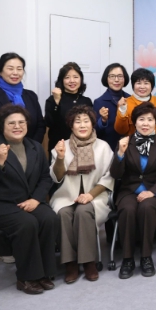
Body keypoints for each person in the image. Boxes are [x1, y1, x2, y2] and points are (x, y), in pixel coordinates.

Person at [0, 104, 59, 295]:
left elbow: (45, 178)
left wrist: (36, 199)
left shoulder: (36, 147)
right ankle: (27, 277)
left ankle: (44, 272)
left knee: (49, 218)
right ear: (2, 126)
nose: (17, 126)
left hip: (27, 201)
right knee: (27, 223)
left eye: (21, 122)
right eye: (11, 123)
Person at [49, 105, 114, 284]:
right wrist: (60, 158)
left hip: (96, 197)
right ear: (71, 126)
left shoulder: (103, 147)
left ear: (93, 124)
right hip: (66, 196)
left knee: (83, 211)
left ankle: (88, 262)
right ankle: (70, 263)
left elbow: (109, 176)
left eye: (86, 121)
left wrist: (91, 195)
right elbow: (56, 177)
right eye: (78, 122)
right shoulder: (61, 147)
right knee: (63, 213)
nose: (82, 125)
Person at [110, 103, 156, 279]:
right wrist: (120, 154)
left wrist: (153, 192)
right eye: (141, 119)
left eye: (150, 120)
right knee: (128, 209)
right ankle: (127, 259)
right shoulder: (125, 142)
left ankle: (146, 257)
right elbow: (116, 174)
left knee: (147, 207)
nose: (145, 123)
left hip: (154, 191)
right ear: (134, 122)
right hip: (129, 190)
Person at [45, 62, 93, 153]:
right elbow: (49, 123)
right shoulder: (53, 99)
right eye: (67, 77)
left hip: (83, 147)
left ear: (81, 79)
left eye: (75, 77)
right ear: (62, 80)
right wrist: (56, 103)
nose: (72, 81)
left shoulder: (86, 101)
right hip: (59, 147)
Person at [93, 63, 130, 150]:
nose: (116, 80)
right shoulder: (99, 102)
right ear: (106, 79)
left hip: (128, 148)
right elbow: (94, 132)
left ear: (124, 78)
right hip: (107, 148)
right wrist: (103, 120)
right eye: (112, 76)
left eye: (120, 76)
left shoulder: (130, 99)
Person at [114, 68, 156, 136]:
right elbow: (120, 130)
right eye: (138, 83)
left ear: (152, 85)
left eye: (146, 83)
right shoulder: (125, 103)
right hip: (134, 142)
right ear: (133, 85)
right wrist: (122, 110)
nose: (142, 87)